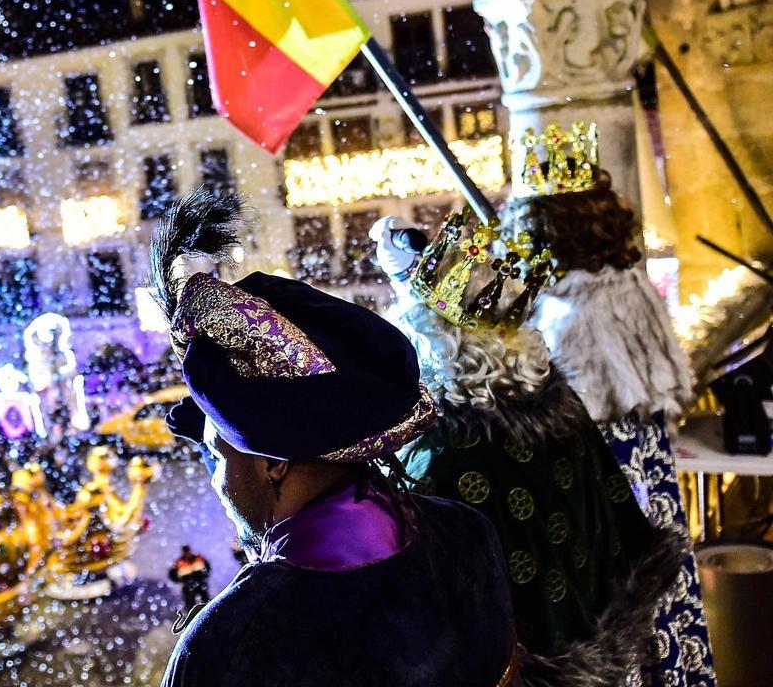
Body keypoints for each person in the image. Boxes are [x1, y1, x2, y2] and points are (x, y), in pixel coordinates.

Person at [151, 189, 519, 687]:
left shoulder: (233, 643)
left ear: (275, 463)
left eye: (217, 460)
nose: (218, 483)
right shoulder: (468, 536)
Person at [375, 206, 683, 687]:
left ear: (423, 340)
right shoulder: (560, 402)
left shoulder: (438, 452)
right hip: (599, 636)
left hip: (521, 669)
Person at [502, 123, 715, 685]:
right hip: (650, 458)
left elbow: (565, 414)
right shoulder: (630, 282)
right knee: (663, 595)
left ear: (542, 228)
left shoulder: (565, 317)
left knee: (620, 598)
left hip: (604, 474)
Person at [168, 545, 212, 612]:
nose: (187, 553)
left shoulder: (198, 558)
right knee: (190, 605)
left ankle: (208, 612)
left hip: (200, 583)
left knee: (206, 602)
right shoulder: (180, 562)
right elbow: (172, 574)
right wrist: (180, 581)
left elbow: (207, 567)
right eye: (185, 551)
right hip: (188, 586)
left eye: (187, 551)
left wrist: (205, 576)